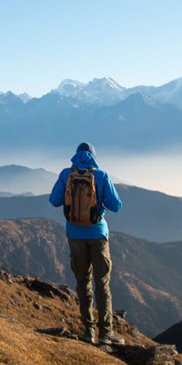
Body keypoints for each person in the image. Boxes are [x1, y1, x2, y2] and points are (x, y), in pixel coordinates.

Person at [48, 142, 123, 344]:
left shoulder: (66, 175)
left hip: (75, 235)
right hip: (98, 234)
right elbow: (116, 206)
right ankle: (106, 333)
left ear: (76, 155)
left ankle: (88, 331)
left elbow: (53, 201)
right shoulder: (101, 176)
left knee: (83, 282)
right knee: (102, 283)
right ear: (93, 156)